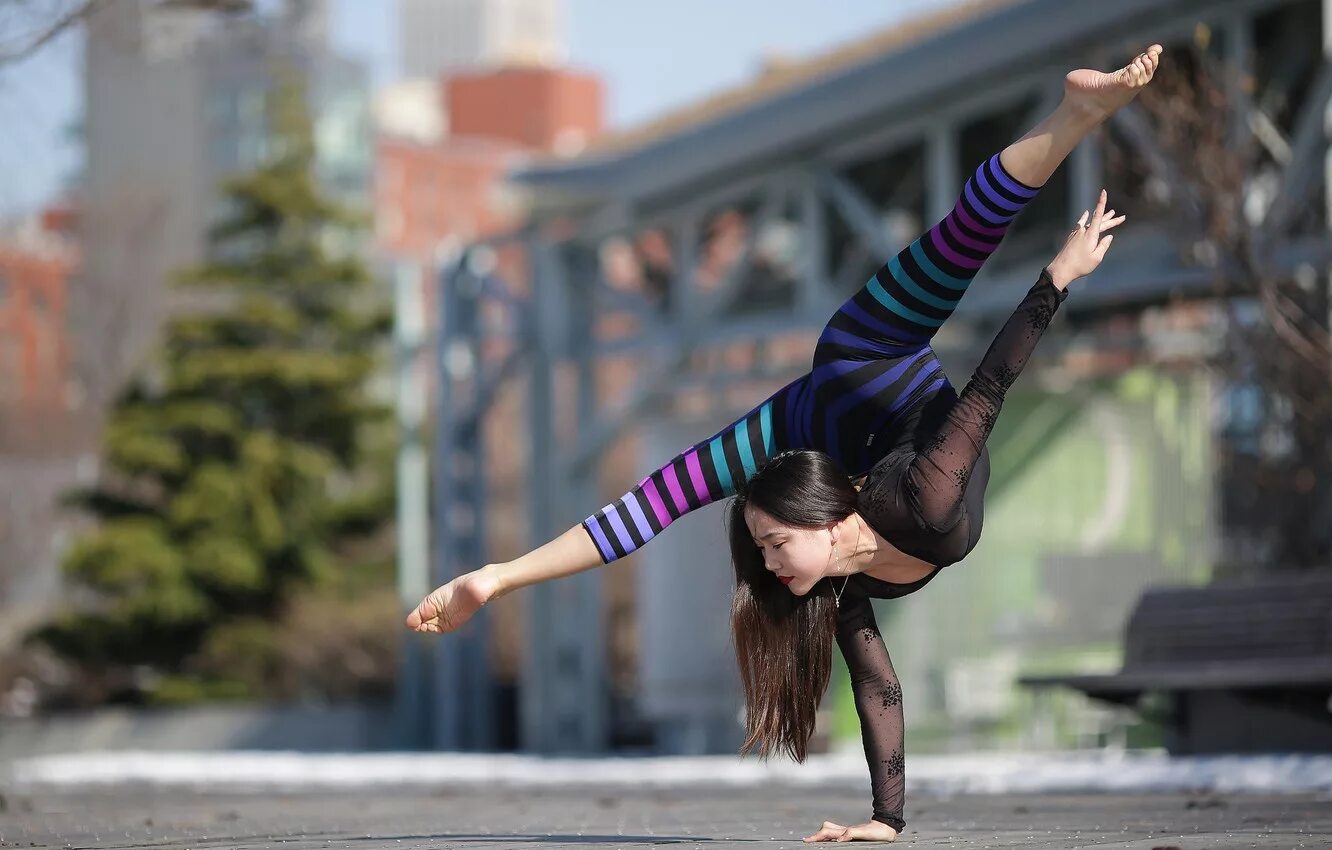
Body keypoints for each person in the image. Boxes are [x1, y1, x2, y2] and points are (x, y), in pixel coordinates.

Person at [409, 44, 1163, 845]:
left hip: (866, 351)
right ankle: (1074, 117)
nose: (766, 563)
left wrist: (1058, 274)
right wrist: (887, 822)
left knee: (960, 243)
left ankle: (1075, 114)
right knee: (669, 493)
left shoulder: (849, 511)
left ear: (818, 519)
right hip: (834, 422)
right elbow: (880, 686)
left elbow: (987, 386)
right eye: (768, 547)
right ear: (828, 527)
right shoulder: (904, 524)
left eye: (769, 545)